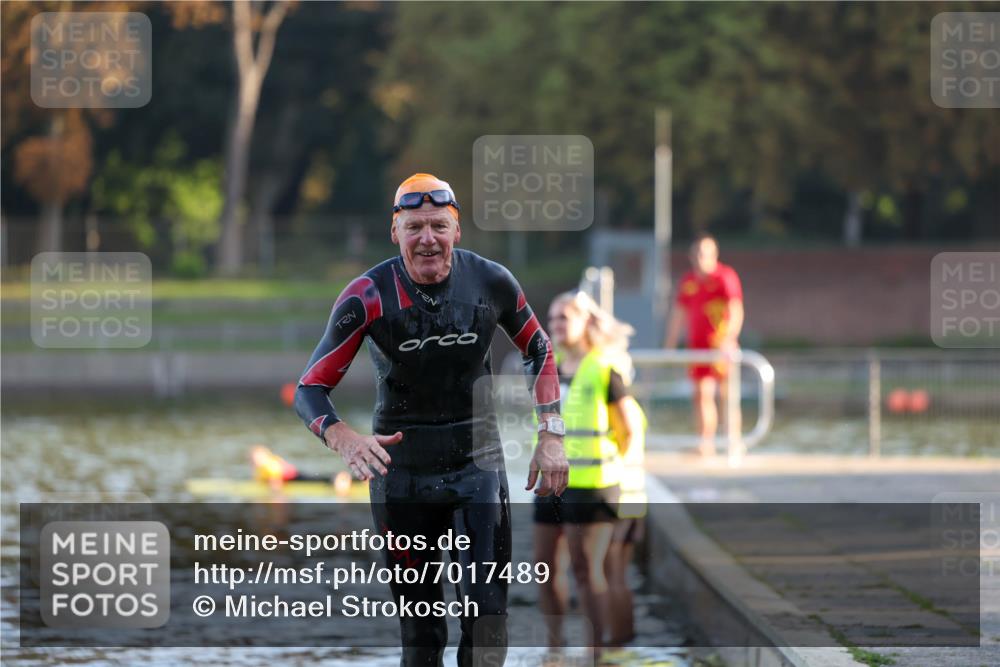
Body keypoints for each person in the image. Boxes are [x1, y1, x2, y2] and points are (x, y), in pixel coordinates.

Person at [294, 173, 569, 667]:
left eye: (438, 226)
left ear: (456, 230)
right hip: (402, 476)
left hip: (477, 466)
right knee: (422, 635)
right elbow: (310, 388)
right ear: (394, 232)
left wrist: (550, 434)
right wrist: (345, 440)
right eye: (414, 227)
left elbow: (540, 348)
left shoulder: (490, 281)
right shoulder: (367, 295)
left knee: (487, 620)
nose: (427, 239)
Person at [533, 290, 645, 659]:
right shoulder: (548, 368)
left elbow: (629, 427)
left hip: (594, 487)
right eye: (552, 319)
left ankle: (595, 653)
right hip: (551, 486)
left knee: (586, 570)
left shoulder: (603, 368)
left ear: (585, 323)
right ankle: (555, 649)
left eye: (564, 317)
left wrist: (617, 468)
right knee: (545, 569)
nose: (556, 325)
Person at [663, 234, 744, 457]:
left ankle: (732, 441)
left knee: (728, 394)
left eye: (705, 253)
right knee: (701, 395)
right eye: (697, 253)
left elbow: (735, 309)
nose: (701, 258)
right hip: (697, 347)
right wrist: (670, 345)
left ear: (714, 255)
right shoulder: (688, 281)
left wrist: (729, 338)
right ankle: (705, 443)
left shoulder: (724, 277)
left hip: (720, 346)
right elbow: (678, 314)